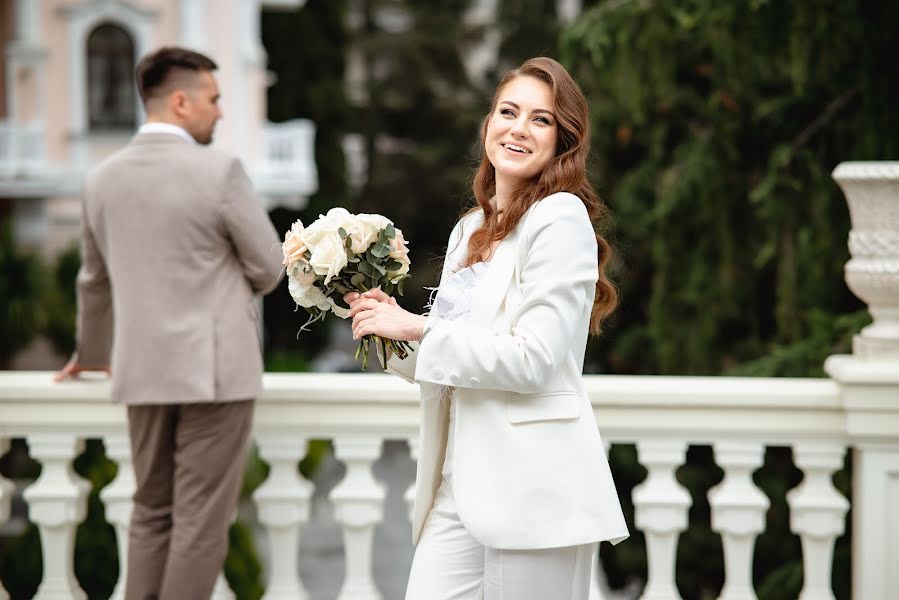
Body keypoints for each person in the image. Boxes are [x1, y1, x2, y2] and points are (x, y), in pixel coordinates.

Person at [345, 57, 629, 599]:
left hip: (533, 488)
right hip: (457, 484)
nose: (519, 128)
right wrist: (381, 330)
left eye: (541, 120)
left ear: (562, 141)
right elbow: (452, 362)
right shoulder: (469, 229)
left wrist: (418, 328)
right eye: (508, 111)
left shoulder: (559, 217)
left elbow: (532, 359)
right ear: (488, 124)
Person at [54, 47, 283, 599]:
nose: (220, 112)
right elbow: (270, 267)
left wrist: (90, 352)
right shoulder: (220, 170)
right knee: (200, 524)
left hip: (141, 370)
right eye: (214, 98)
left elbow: (94, 282)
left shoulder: (99, 179)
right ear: (181, 102)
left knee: (150, 512)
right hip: (215, 373)